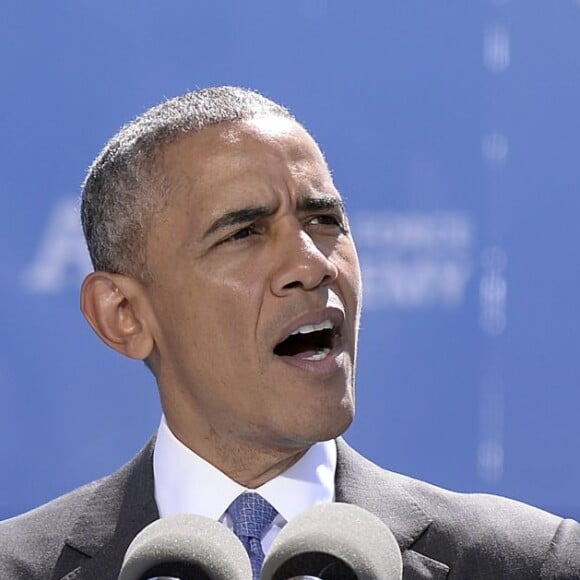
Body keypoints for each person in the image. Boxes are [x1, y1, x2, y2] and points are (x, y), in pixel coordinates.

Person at [0, 86, 578, 580]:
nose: (313, 264)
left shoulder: (532, 561)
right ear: (122, 314)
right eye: (244, 233)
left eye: (324, 220)